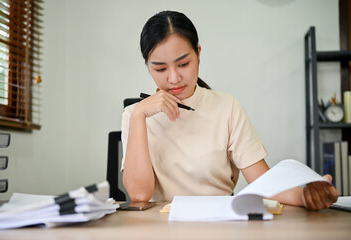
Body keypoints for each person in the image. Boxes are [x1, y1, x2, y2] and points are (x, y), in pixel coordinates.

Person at [121, 10, 339, 210]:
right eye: (160, 68)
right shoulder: (134, 114)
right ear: (148, 66)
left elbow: (263, 181)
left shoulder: (227, 107)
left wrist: (306, 197)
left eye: (183, 64)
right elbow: (139, 194)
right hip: (161, 227)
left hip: (219, 223)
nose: (174, 78)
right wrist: (139, 116)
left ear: (198, 54)